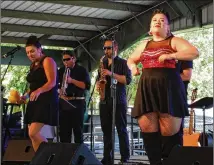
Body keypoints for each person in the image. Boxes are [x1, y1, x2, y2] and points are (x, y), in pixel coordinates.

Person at [127, 9, 199, 165]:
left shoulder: (173, 41)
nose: (158, 22)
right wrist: (133, 68)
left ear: (168, 27)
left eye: (162, 20)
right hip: (147, 88)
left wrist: (171, 55)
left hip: (169, 89)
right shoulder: (144, 43)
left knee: (169, 134)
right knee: (147, 129)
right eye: (155, 20)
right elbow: (131, 59)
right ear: (150, 28)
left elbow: (194, 52)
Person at [96, 39, 132, 165]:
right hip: (104, 100)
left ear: (115, 48)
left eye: (109, 48)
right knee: (106, 130)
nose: (106, 51)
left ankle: (125, 157)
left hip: (118, 100)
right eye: (104, 48)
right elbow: (98, 79)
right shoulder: (103, 62)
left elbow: (127, 80)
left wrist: (111, 74)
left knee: (121, 129)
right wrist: (99, 85)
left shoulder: (123, 63)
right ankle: (107, 157)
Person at [20, 36, 58, 152]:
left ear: (39, 49)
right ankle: (40, 159)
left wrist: (39, 90)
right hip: (34, 101)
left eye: (32, 51)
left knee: (33, 133)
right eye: (27, 53)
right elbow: (33, 87)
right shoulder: (33, 65)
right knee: (32, 135)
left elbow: (52, 82)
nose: (30, 55)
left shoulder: (47, 60)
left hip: (45, 101)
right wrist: (26, 96)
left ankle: (50, 154)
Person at [58, 51, 91, 144]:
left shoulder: (81, 70)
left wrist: (72, 80)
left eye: (68, 59)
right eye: (64, 60)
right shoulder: (61, 71)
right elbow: (56, 86)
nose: (65, 62)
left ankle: (78, 155)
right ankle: (65, 155)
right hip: (64, 104)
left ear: (74, 59)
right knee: (64, 132)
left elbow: (86, 86)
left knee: (78, 131)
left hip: (77, 102)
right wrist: (59, 91)